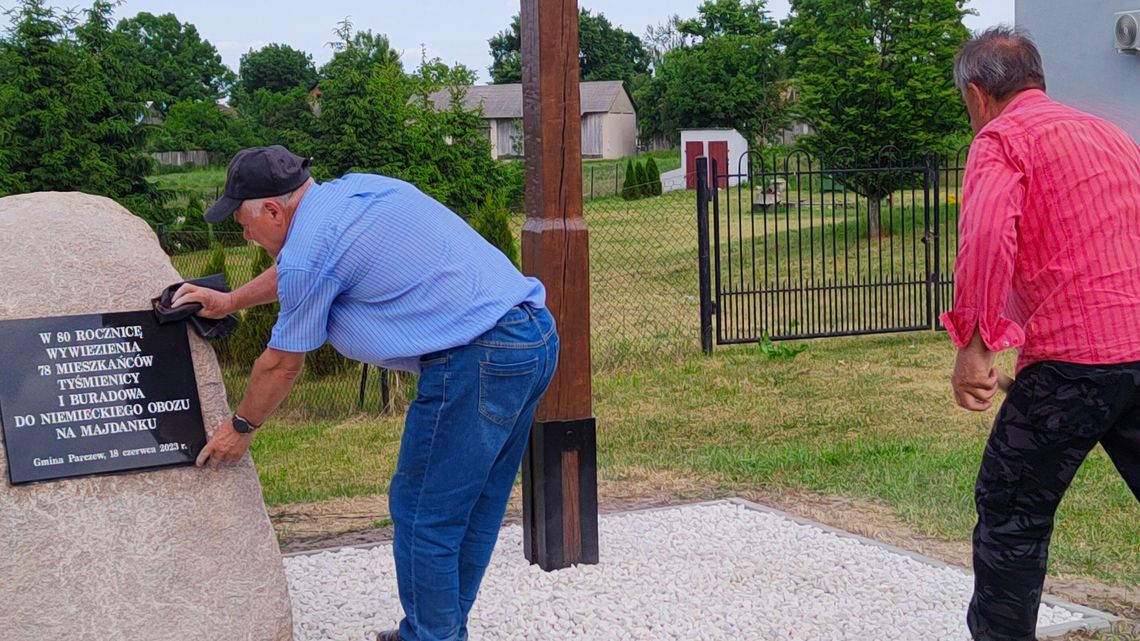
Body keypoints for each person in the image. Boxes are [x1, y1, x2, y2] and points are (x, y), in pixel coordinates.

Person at [172, 145, 559, 641]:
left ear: (273, 210)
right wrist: (229, 301)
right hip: (531, 339)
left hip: (476, 360)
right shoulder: (353, 191)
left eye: (244, 223)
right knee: (472, 509)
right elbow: (299, 273)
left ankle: (431, 636)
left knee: (424, 516)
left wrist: (239, 428)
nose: (243, 234)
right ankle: (434, 631)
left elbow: (282, 365)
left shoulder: (310, 247)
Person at [943, 27, 1140, 641]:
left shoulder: (1002, 138)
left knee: (1011, 514)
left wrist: (974, 346)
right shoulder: (1113, 136)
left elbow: (985, 240)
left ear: (977, 96)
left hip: (1071, 361)